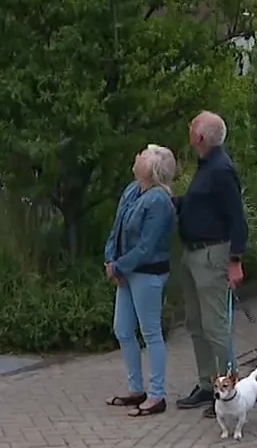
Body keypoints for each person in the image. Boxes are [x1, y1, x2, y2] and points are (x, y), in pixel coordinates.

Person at [175, 110, 248, 417]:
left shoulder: (221, 170)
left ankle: (232, 392)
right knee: (196, 323)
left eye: (192, 127)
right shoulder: (206, 167)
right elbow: (200, 206)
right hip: (192, 253)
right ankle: (209, 384)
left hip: (212, 254)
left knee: (216, 326)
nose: (189, 131)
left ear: (200, 136)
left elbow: (236, 217)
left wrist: (235, 260)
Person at [104, 144, 179, 417]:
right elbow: (117, 228)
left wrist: (118, 266)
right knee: (123, 329)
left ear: (153, 168)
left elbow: (147, 246)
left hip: (148, 272)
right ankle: (136, 388)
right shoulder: (132, 189)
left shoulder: (159, 200)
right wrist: (111, 259)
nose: (138, 155)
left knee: (150, 332)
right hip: (127, 269)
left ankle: (157, 394)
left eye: (145, 154)